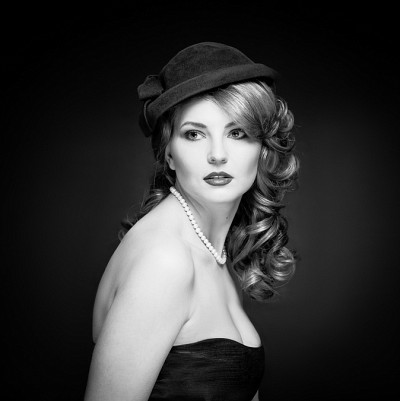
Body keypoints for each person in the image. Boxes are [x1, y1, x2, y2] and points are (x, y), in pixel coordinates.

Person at [84, 42, 299, 401]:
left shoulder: (212, 248)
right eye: (194, 134)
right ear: (168, 153)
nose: (217, 155)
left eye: (237, 132)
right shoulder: (165, 261)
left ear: (262, 148)